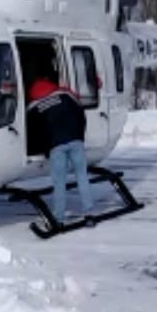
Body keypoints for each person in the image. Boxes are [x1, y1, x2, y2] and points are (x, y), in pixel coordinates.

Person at [27, 77, 95, 228]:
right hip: (76, 142)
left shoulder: (34, 107)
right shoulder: (66, 96)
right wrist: (79, 136)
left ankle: (59, 218)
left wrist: (45, 150)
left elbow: (34, 135)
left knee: (59, 183)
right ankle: (89, 214)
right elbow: (81, 116)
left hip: (56, 147)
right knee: (82, 177)